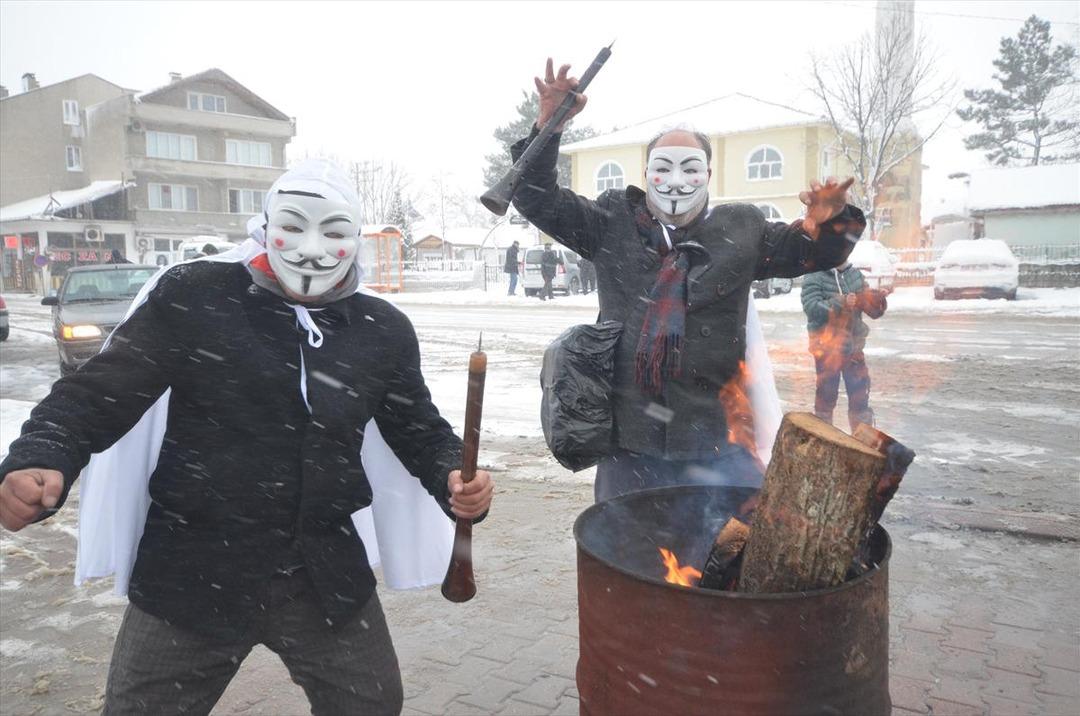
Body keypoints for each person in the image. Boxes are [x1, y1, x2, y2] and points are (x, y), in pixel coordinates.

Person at [0, 160, 494, 716]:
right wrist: (43, 453)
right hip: (193, 570)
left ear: (355, 240)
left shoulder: (381, 329)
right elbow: (98, 393)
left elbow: (418, 427)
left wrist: (451, 471)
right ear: (264, 226)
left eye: (333, 232)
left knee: (372, 704)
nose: (312, 248)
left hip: (322, 572)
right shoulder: (196, 297)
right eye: (295, 225)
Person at [511, 58, 866, 502]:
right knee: (623, 556)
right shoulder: (610, 222)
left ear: (709, 176)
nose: (676, 181)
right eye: (663, 167)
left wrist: (835, 220)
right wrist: (549, 125)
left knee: (729, 552)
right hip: (630, 443)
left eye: (690, 168)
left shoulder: (743, 229)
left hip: (715, 441)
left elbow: (820, 251)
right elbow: (534, 196)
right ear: (645, 174)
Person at [801, 262, 888, 432]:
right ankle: (823, 439)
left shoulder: (854, 274)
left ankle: (862, 443)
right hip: (827, 351)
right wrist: (840, 302)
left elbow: (871, 309)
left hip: (854, 350)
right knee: (826, 399)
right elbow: (811, 307)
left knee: (860, 399)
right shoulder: (814, 275)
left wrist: (878, 299)